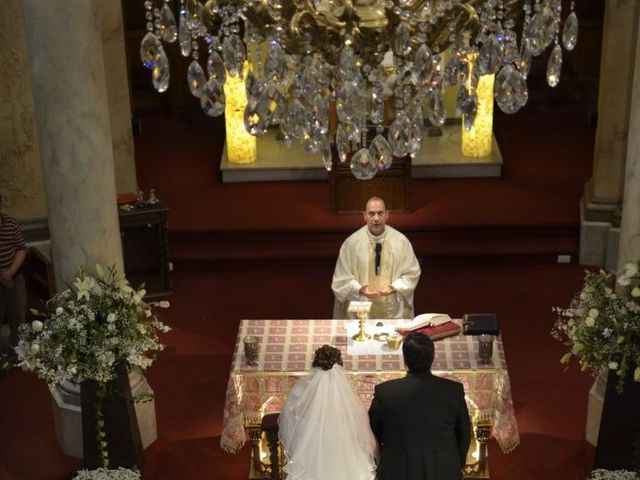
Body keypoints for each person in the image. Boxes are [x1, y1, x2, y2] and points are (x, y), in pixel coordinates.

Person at [369, 332, 471, 480]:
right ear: (433, 357)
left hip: (397, 470)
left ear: (405, 359)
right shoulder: (453, 390)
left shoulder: (384, 392)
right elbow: (464, 433)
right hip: (443, 469)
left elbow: (374, 429)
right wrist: (457, 464)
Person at [278, 345, 377, 480]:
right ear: (340, 367)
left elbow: (289, 427)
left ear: (314, 365)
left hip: (311, 458)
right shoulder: (349, 398)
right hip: (345, 459)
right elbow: (367, 440)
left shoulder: (299, 394)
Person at [332, 196, 421, 319]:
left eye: (380, 213)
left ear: (387, 215)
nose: (376, 219)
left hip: (392, 310)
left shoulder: (401, 242)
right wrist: (359, 290)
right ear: (364, 216)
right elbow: (341, 280)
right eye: (371, 214)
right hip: (362, 312)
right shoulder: (351, 244)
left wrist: (395, 287)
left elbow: (412, 273)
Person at [0, 195, 27, 358]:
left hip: (15, 279)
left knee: (18, 321)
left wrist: (10, 273)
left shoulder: (10, 222)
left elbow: (21, 248)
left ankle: (19, 355)